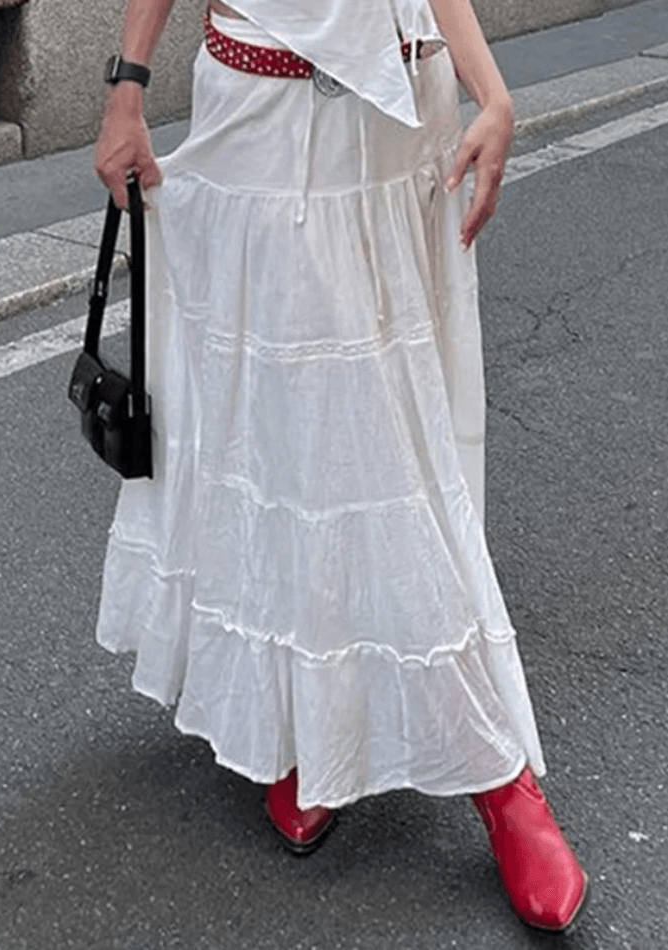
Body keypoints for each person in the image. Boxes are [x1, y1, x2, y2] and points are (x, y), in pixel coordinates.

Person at [94, 0, 589, 933]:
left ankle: (489, 769)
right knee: (287, 437)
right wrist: (126, 85)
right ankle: (337, 735)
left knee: (395, 440)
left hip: (401, 120)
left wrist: (493, 91)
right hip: (261, 117)